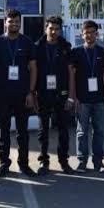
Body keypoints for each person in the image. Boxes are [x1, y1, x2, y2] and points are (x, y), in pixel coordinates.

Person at [0, 8, 38, 178]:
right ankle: (4, 164)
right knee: (3, 130)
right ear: (5, 23)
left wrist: (31, 92)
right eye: (11, 21)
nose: (14, 24)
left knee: (22, 131)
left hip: (22, 93)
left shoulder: (27, 43)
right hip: (3, 93)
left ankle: (23, 164)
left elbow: (33, 68)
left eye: (17, 21)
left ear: (20, 23)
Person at [69, 20, 104, 173]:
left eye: (92, 32)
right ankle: (82, 162)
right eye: (86, 32)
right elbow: (72, 76)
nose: (89, 35)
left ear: (97, 34)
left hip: (100, 99)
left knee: (99, 131)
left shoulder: (102, 52)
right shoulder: (76, 52)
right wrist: (74, 97)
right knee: (82, 132)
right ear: (82, 35)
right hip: (82, 99)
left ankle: (98, 162)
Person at [34, 15, 74, 175]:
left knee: (63, 129)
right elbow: (33, 71)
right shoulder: (37, 47)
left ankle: (64, 161)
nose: (54, 31)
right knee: (43, 130)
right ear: (46, 28)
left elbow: (71, 73)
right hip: (43, 93)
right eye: (51, 28)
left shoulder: (66, 47)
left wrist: (71, 96)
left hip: (61, 94)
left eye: (57, 29)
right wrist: (33, 92)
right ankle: (44, 161)